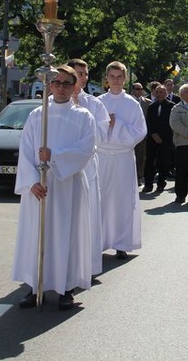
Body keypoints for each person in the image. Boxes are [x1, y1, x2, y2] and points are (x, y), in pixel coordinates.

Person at [12, 65, 97, 310]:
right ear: (49, 85)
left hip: (67, 185)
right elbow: (26, 150)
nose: (61, 88)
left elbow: (86, 149)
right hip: (39, 187)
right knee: (37, 235)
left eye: (66, 83)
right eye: (56, 82)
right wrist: (32, 182)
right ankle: (33, 284)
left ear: (75, 86)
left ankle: (66, 288)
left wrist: (56, 156)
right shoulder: (37, 115)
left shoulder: (83, 117)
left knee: (66, 235)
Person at [97, 61, 147, 259]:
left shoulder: (132, 104)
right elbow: (90, 128)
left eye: (119, 76)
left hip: (123, 157)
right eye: (112, 76)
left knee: (122, 200)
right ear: (106, 79)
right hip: (101, 156)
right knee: (100, 200)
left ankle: (121, 242)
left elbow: (140, 131)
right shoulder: (98, 102)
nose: (116, 80)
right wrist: (104, 125)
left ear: (125, 79)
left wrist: (117, 125)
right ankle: (97, 241)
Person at [67, 58, 110, 276]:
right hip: (60, 171)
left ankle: (86, 266)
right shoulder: (52, 102)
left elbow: (102, 135)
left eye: (85, 73)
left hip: (86, 168)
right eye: (78, 73)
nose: (82, 77)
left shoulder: (94, 104)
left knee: (87, 217)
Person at [143, 83, 174, 193]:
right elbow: (148, 122)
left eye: (162, 92)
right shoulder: (151, 106)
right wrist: (154, 134)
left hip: (166, 139)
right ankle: (148, 184)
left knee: (164, 162)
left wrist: (163, 136)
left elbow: (172, 123)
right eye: (158, 92)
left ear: (166, 93)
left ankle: (161, 183)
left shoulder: (171, 106)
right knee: (150, 162)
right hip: (152, 138)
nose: (159, 94)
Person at [132, 82, 152, 185]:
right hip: (130, 134)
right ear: (133, 90)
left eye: (141, 89)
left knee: (141, 156)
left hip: (142, 134)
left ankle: (139, 177)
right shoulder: (128, 101)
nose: (140, 91)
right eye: (137, 89)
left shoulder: (148, 102)